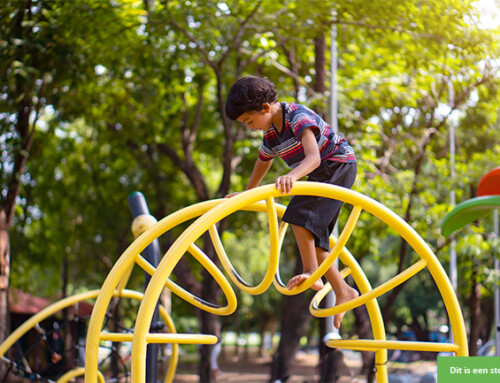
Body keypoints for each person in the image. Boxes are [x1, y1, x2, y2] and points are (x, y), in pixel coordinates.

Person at [225, 76, 358, 328]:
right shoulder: (271, 133)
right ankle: (343, 290)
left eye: (249, 121)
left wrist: (292, 175)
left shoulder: (296, 116)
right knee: (314, 235)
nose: (250, 127)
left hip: (337, 164)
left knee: (298, 216)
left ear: (265, 108)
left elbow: (314, 158)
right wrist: (246, 193)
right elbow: (263, 162)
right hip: (322, 172)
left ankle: (311, 271)